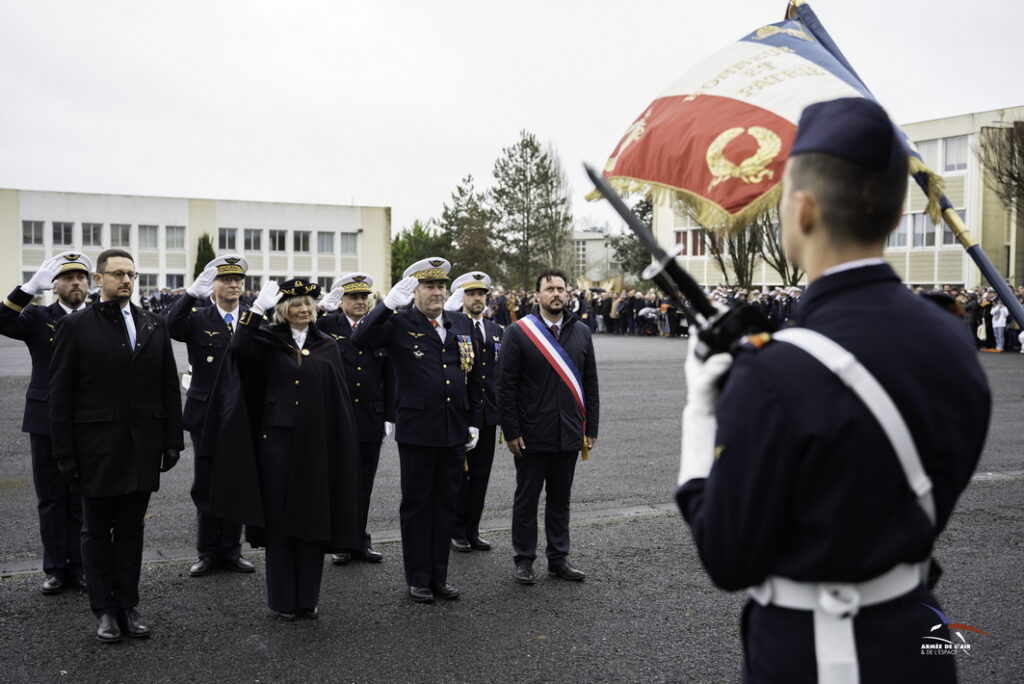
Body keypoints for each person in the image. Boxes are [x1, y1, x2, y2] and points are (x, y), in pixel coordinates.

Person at [675, 98, 991, 683]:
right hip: (922, 638)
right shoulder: (952, 337)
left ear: (803, 210)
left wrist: (700, 411)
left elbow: (727, 555)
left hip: (822, 655)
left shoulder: (775, 372)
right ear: (897, 215)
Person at [199, 278, 361, 620]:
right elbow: (239, 350)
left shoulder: (326, 345)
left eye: (308, 304)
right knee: (280, 521)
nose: (304, 309)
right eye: (296, 305)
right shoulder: (268, 340)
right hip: (277, 443)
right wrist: (255, 310)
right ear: (284, 311)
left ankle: (308, 599)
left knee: (313, 519)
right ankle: (283, 600)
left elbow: (337, 397)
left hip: (316, 444)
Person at [49, 248, 184, 643]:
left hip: (142, 446)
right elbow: (61, 395)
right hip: (95, 448)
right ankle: (104, 610)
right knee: (95, 531)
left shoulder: (153, 324)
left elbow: (167, 387)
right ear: (98, 280)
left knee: (130, 530)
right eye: (117, 274)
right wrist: (64, 452)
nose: (125, 280)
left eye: (131, 274)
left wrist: (172, 440)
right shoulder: (77, 326)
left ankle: (127, 604)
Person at [351, 258, 483, 604]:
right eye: (430, 286)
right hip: (418, 431)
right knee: (418, 505)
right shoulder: (399, 322)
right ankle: (418, 578)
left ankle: (440, 576)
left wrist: (473, 419)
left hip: (454, 429)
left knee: (446, 505)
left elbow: (473, 373)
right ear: (415, 291)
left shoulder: (457, 322)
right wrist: (386, 305)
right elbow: (359, 339)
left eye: (441, 286)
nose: (437, 292)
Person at [497, 269, 599, 585]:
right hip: (531, 433)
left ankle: (558, 558)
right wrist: (511, 430)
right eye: (549, 288)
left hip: (569, 431)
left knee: (560, 499)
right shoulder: (518, 332)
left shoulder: (581, 331)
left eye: (560, 288)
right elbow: (505, 386)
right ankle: (524, 560)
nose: (556, 293)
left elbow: (591, 383)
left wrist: (591, 427)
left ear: (568, 293)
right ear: (537, 294)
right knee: (526, 499)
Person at [0, 252, 92, 595]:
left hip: (87, 421)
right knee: (51, 498)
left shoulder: (98, 317)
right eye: (68, 278)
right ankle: (55, 568)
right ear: (55, 285)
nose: (76, 283)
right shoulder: (38, 317)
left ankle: (82, 568)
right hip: (45, 420)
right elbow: (2, 321)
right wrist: (26, 289)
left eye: (81, 277)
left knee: (83, 498)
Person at [164, 255, 256, 577]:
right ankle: (206, 551)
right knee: (206, 481)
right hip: (206, 412)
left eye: (238, 280)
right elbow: (167, 326)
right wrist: (190, 294)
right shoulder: (198, 318)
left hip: (243, 412)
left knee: (236, 479)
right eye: (226, 280)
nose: (234, 285)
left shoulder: (253, 317)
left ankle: (231, 550)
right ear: (213, 286)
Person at [318, 272, 394, 565]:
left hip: (369, 417)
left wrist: (388, 415)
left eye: (364, 297)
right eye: (354, 297)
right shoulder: (327, 325)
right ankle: (340, 541)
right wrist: (322, 307)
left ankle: (360, 541)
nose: (361, 302)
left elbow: (390, 375)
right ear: (342, 300)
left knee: (364, 484)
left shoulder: (381, 327)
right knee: (339, 482)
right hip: (337, 415)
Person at [444, 272, 502, 553]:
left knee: (481, 475)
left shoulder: (495, 330)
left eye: (481, 294)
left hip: (489, 414)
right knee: (459, 475)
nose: (477, 299)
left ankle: (472, 529)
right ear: (461, 298)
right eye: (471, 294)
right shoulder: (454, 327)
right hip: (463, 413)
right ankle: (456, 530)